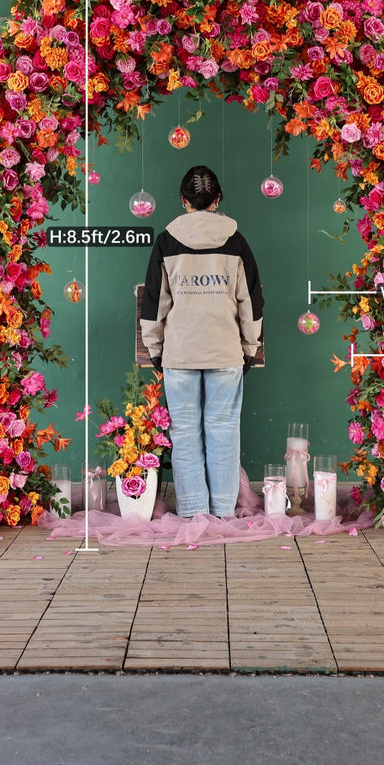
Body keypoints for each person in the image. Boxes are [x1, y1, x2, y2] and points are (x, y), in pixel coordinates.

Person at [139, 165, 263, 518]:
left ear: (184, 201)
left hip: (180, 353)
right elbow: (251, 301)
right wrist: (249, 347)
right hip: (225, 351)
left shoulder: (166, 241)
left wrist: (155, 349)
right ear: (217, 200)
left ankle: (193, 511)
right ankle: (223, 510)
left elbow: (154, 303)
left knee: (184, 432)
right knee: (224, 430)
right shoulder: (236, 242)